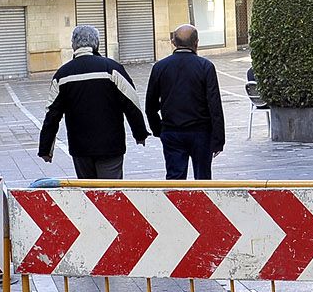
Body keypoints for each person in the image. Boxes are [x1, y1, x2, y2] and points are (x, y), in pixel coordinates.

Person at [38, 25, 149, 179]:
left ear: (73, 45)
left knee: (89, 194)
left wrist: (46, 149)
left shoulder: (62, 75)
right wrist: (140, 133)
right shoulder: (112, 69)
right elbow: (131, 103)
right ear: (96, 44)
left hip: (80, 148)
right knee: (111, 193)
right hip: (111, 145)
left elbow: (52, 114)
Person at [145, 25, 226, 180]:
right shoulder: (205, 66)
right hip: (201, 132)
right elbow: (214, 105)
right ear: (196, 43)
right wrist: (218, 139)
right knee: (203, 180)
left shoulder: (160, 67)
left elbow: (150, 105)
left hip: (172, 130)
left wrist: (159, 130)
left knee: (175, 179)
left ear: (173, 42)